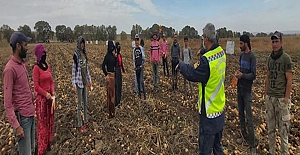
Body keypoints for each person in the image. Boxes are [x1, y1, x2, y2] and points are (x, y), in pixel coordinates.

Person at [177, 23, 226, 154]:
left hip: (209, 113)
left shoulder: (206, 62)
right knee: (217, 148)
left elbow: (193, 74)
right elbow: (212, 53)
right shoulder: (221, 53)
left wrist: (181, 65)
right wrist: (203, 51)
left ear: (205, 38)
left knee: (204, 150)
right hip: (220, 109)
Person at [3, 32, 35, 154]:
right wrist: (16, 126)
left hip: (30, 115)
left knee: (31, 150)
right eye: (25, 45)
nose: (27, 48)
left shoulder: (22, 64)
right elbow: (7, 103)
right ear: (18, 46)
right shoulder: (10, 70)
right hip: (22, 120)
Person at [265, 31, 292, 155]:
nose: (274, 44)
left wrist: (286, 99)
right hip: (270, 98)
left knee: (283, 132)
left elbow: (289, 80)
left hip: (281, 99)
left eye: (276, 41)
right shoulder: (270, 58)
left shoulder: (286, 58)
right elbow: (268, 76)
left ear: (281, 42)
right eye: (273, 41)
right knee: (271, 129)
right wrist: (266, 94)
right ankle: (272, 152)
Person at [235, 35, 257, 154]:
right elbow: (241, 70)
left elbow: (253, 75)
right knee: (241, 115)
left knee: (249, 117)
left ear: (246, 44)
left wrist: (242, 76)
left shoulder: (251, 57)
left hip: (247, 91)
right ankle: (244, 137)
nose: (240, 45)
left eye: (241, 44)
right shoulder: (241, 55)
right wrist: (238, 73)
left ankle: (252, 143)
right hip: (240, 89)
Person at [33, 44, 55, 155]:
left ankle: (49, 143)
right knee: (43, 124)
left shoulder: (47, 65)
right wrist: (45, 93)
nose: (44, 54)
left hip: (50, 100)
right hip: (42, 101)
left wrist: (52, 91)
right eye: (42, 52)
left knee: (50, 122)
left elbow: (51, 81)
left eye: (45, 52)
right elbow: (36, 86)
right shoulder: (36, 69)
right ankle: (41, 148)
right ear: (38, 54)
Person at [72, 36, 92, 132]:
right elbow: (73, 71)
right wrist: (73, 84)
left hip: (84, 82)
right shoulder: (76, 55)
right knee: (79, 105)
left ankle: (86, 120)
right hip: (79, 82)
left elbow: (87, 69)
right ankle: (80, 124)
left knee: (86, 103)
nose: (82, 45)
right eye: (81, 43)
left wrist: (89, 81)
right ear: (78, 44)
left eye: (83, 43)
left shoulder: (84, 54)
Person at [102, 40, 117, 118]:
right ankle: (110, 112)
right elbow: (103, 66)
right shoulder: (107, 56)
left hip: (113, 76)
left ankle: (113, 112)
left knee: (113, 95)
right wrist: (106, 75)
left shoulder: (113, 56)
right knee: (109, 95)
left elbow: (116, 64)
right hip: (109, 76)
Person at [133, 34, 146, 99]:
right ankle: (136, 90)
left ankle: (142, 91)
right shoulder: (134, 49)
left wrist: (142, 64)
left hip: (140, 66)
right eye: (135, 40)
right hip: (136, 67)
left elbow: (143, 57)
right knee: (136, 79)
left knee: (141, 80)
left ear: (139, 40)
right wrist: (134, 66)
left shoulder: (141, 48)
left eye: (137, 40)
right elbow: (134, 59)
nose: (136, 42)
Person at [115, 42, 125, 107]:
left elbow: (121, 63)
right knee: (116, 86)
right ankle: (116, 101)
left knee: (120, 86)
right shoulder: (114, 55)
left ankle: (119, 101)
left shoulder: (119, 55)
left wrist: (123, 70)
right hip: (115, 71)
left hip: (119, 71)